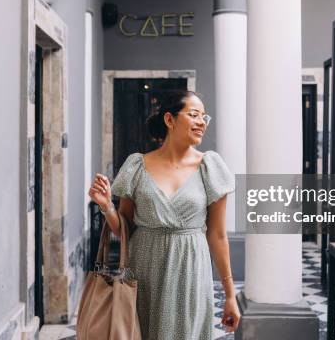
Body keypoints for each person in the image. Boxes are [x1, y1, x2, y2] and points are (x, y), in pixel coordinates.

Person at [88, 90, 241, 339]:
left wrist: (230, 295)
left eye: (205, 117)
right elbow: (124, 229)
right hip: (144, 274)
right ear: (170, 120)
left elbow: (218, 235)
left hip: (191, 271)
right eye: (194, 115)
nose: (202, 122)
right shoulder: (136, 165)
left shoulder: (210, 167)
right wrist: (107, 206)